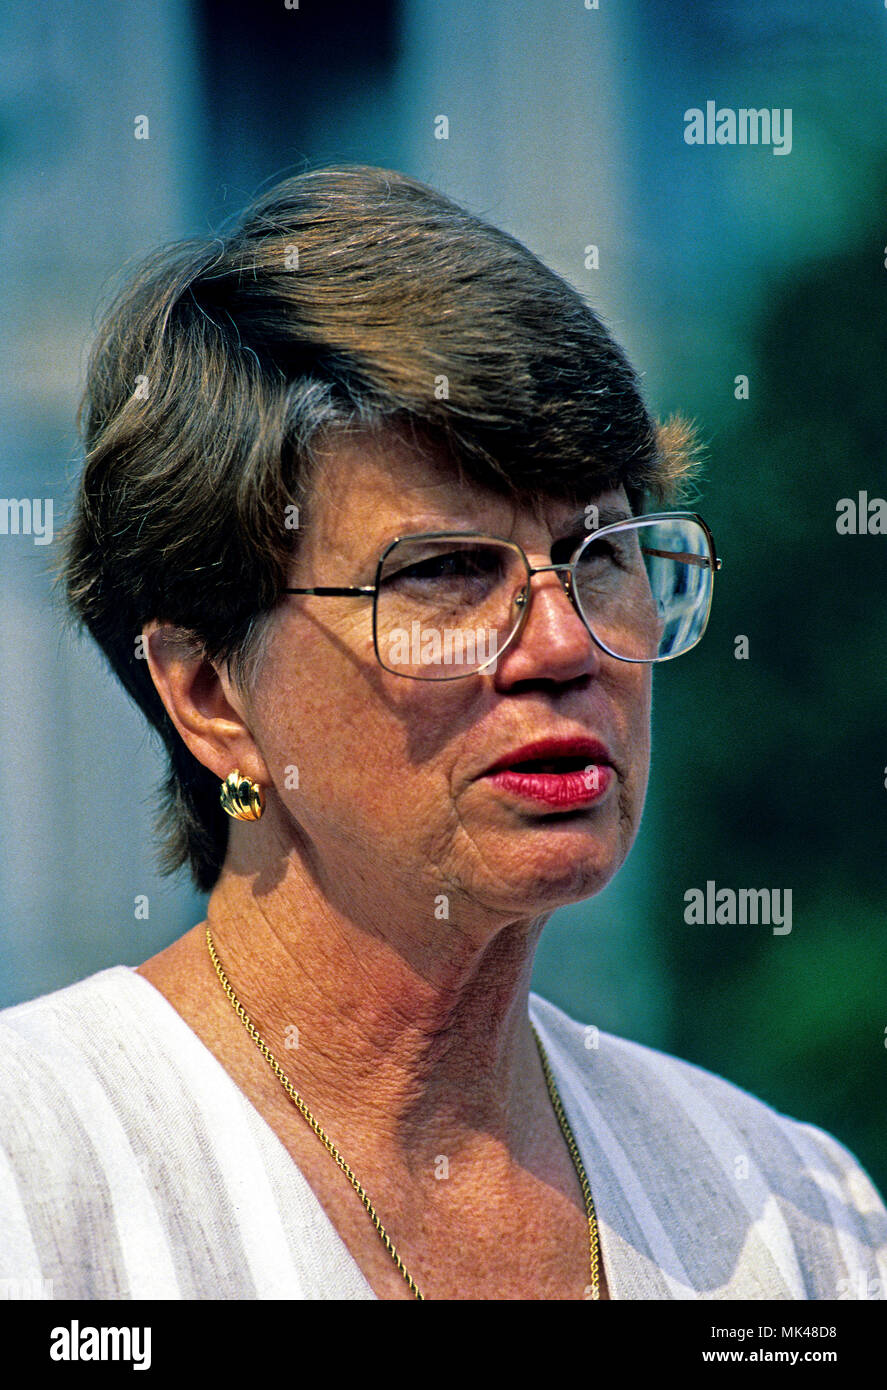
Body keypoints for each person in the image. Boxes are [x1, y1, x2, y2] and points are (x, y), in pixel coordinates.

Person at [1, 164, 884, 1301]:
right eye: (443, 571)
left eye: (599, 552)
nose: (562, 644)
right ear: (211, 695)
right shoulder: (38, 1181)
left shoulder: (788, 1218)